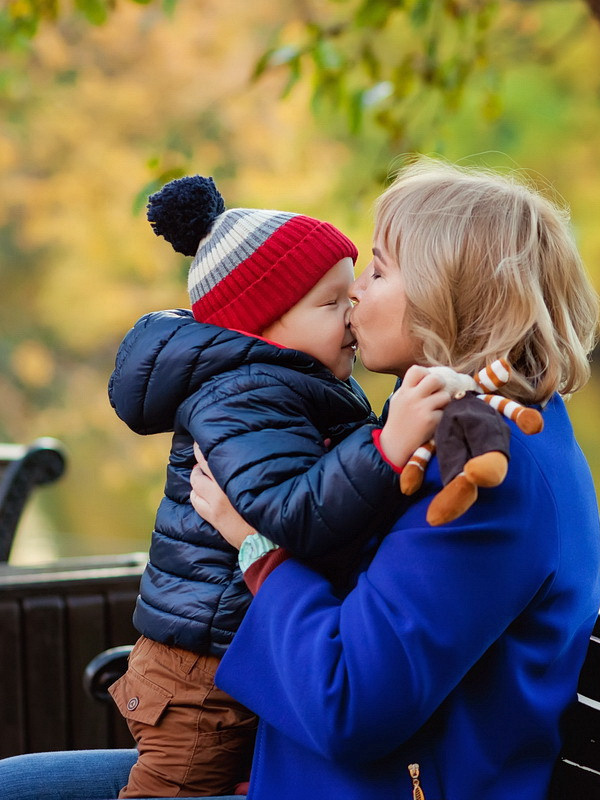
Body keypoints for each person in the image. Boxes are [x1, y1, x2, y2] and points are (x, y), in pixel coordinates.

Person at [0, 157, 600, 800]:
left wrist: (254, 545)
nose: (356, 294)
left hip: (348, 781)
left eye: (377, 271)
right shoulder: (462, 423)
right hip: (286, 761)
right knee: (0, 790)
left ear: (447, 292)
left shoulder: (487, 473)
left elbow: (348, 702)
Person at [101, 176, 448, 798]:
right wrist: (387, 448)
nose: (354, 311)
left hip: (238, 649)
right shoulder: (246, 394)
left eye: (355, 292)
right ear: (263, 324)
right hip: (200, 674)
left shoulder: (294, 381)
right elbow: (291, 513)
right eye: (331, 301)